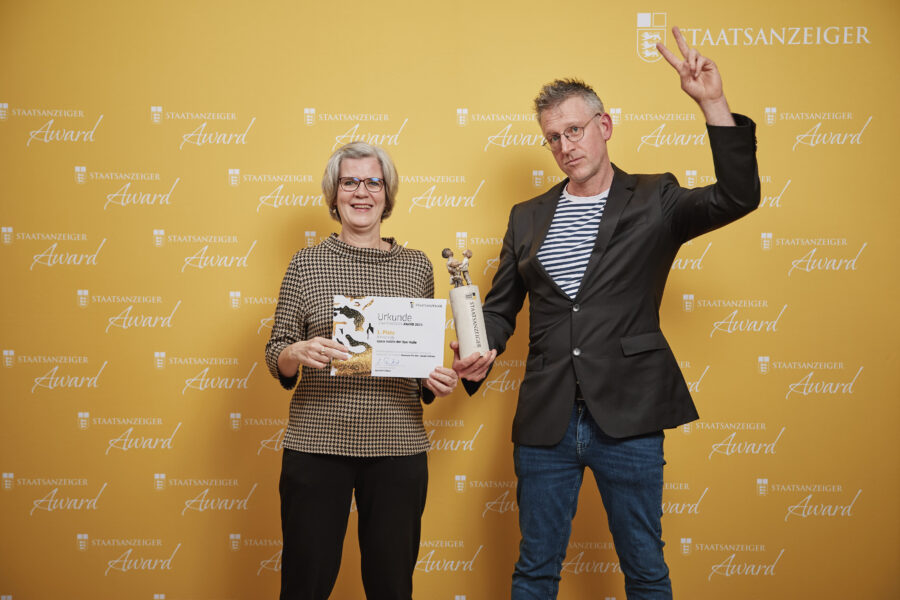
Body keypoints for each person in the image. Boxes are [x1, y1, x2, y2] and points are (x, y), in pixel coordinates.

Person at [452, 27, 760, 600]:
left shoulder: (656, 198)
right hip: (546, 422)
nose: (566, 145)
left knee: (645, 570)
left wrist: (712, 104)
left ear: (605, 127)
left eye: (575, 129)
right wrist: (479, 350)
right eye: (553, 137)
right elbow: (500, 312)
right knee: (534, 572)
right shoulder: (527, 216)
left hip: (631, 417)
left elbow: (737, 197)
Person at [265, 141, 459, 600]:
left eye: (373, 182)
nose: (361, 192)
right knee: (304, 583)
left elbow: (418, 364)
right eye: (349, 182)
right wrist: (298, 351)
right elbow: (276, 352)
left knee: (392, 585)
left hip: (397, 444)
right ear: (334, 194)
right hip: (317, 441)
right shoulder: (307, 263)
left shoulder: (416, 267)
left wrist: (435, 378)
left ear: (387, 195)